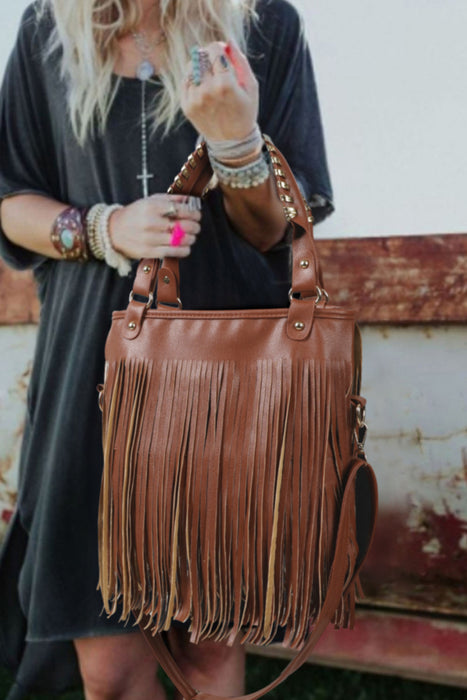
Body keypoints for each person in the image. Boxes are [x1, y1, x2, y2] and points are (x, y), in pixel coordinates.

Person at [0, 0, 333, 698]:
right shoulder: (45, 30)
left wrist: (236, 142)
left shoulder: (266, 24)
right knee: (110, 670)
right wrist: (104, 227)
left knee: (209, 651)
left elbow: (277, 229)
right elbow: (10, 199)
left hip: (226, 369)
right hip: (88, 374)